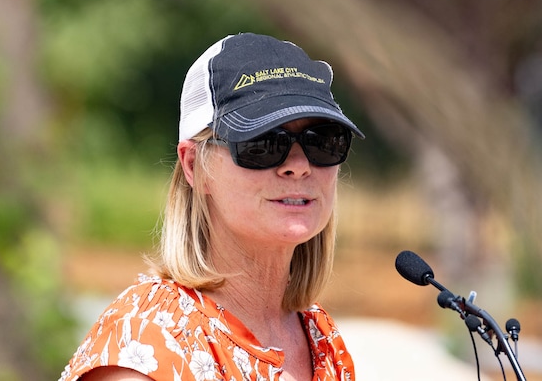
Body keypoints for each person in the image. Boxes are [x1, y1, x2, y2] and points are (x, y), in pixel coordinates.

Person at [59, 32, 365, 381]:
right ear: (194, 165)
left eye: (322, 141)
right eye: (263, 143)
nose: (298, 165)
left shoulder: (319, 335)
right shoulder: (149, 345)